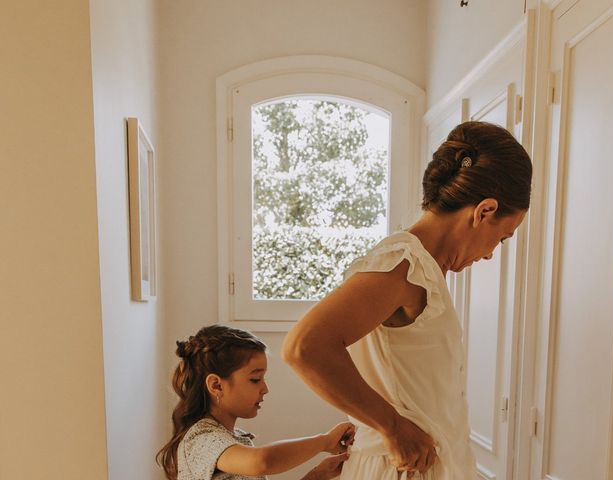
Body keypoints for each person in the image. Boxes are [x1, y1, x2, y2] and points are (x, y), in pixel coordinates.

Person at [282, 121, 532, 479]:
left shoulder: (420, 267)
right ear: (485, 211)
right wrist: (392, 427)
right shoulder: (403, 264)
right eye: (502, 237)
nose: (492, 254)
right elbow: (303, 347)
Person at [157, 325, 355, 480]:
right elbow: (262, 461)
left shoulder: (238, 439)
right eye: (255, 379)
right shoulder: (201, 439)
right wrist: (324, 441)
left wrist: (317, 476)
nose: (265, 389)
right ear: (216, 385)